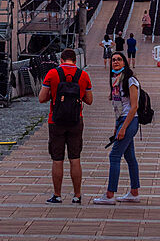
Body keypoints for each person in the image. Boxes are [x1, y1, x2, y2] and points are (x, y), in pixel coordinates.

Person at [38, 48, 93, 205]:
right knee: (75, 158)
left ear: (61, 60)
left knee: (57, 159)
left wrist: (54, 96)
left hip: (56, 121)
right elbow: (89, 100)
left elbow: (42, 98)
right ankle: (77, 195)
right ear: (75, 61)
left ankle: (57, 195)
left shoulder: (52, 74)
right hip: (76, 120)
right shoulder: (83, 75)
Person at [93, 52, 141, 205]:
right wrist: (116, 127)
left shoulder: (130, 80)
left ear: (125, 63)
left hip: (130, 121)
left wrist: (123, 128)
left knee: (114, 156)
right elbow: (117, 107)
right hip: (122, 121)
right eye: (113, 60)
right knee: (130, 157)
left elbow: (134, 107)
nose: (116, 62)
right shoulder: (115, 81)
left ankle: (109, 195)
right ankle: (134, 192)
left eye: (119, 59)